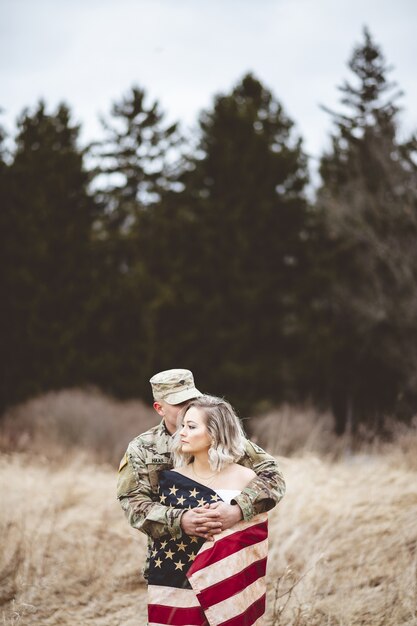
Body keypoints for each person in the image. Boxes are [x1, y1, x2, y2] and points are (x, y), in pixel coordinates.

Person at [117, 368, 285, 583]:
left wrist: (238, 509)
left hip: (225, 559)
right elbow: (133, 504)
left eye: (193, 399)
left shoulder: (225, 439)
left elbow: (274, 477)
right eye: (179, 404)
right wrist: (180, 520)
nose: (189, 408)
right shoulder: (142, 448)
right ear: (159, 408)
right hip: (172, 559)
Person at [147, 395, 270, 626]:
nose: (181, 432)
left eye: (191, 427)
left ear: (215, 433)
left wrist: (234, 516)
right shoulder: (172, 481)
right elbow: (161, 538)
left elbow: (253, 541)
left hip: (229, 590)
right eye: (182, 425)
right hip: (177, 586)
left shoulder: (247, 480)